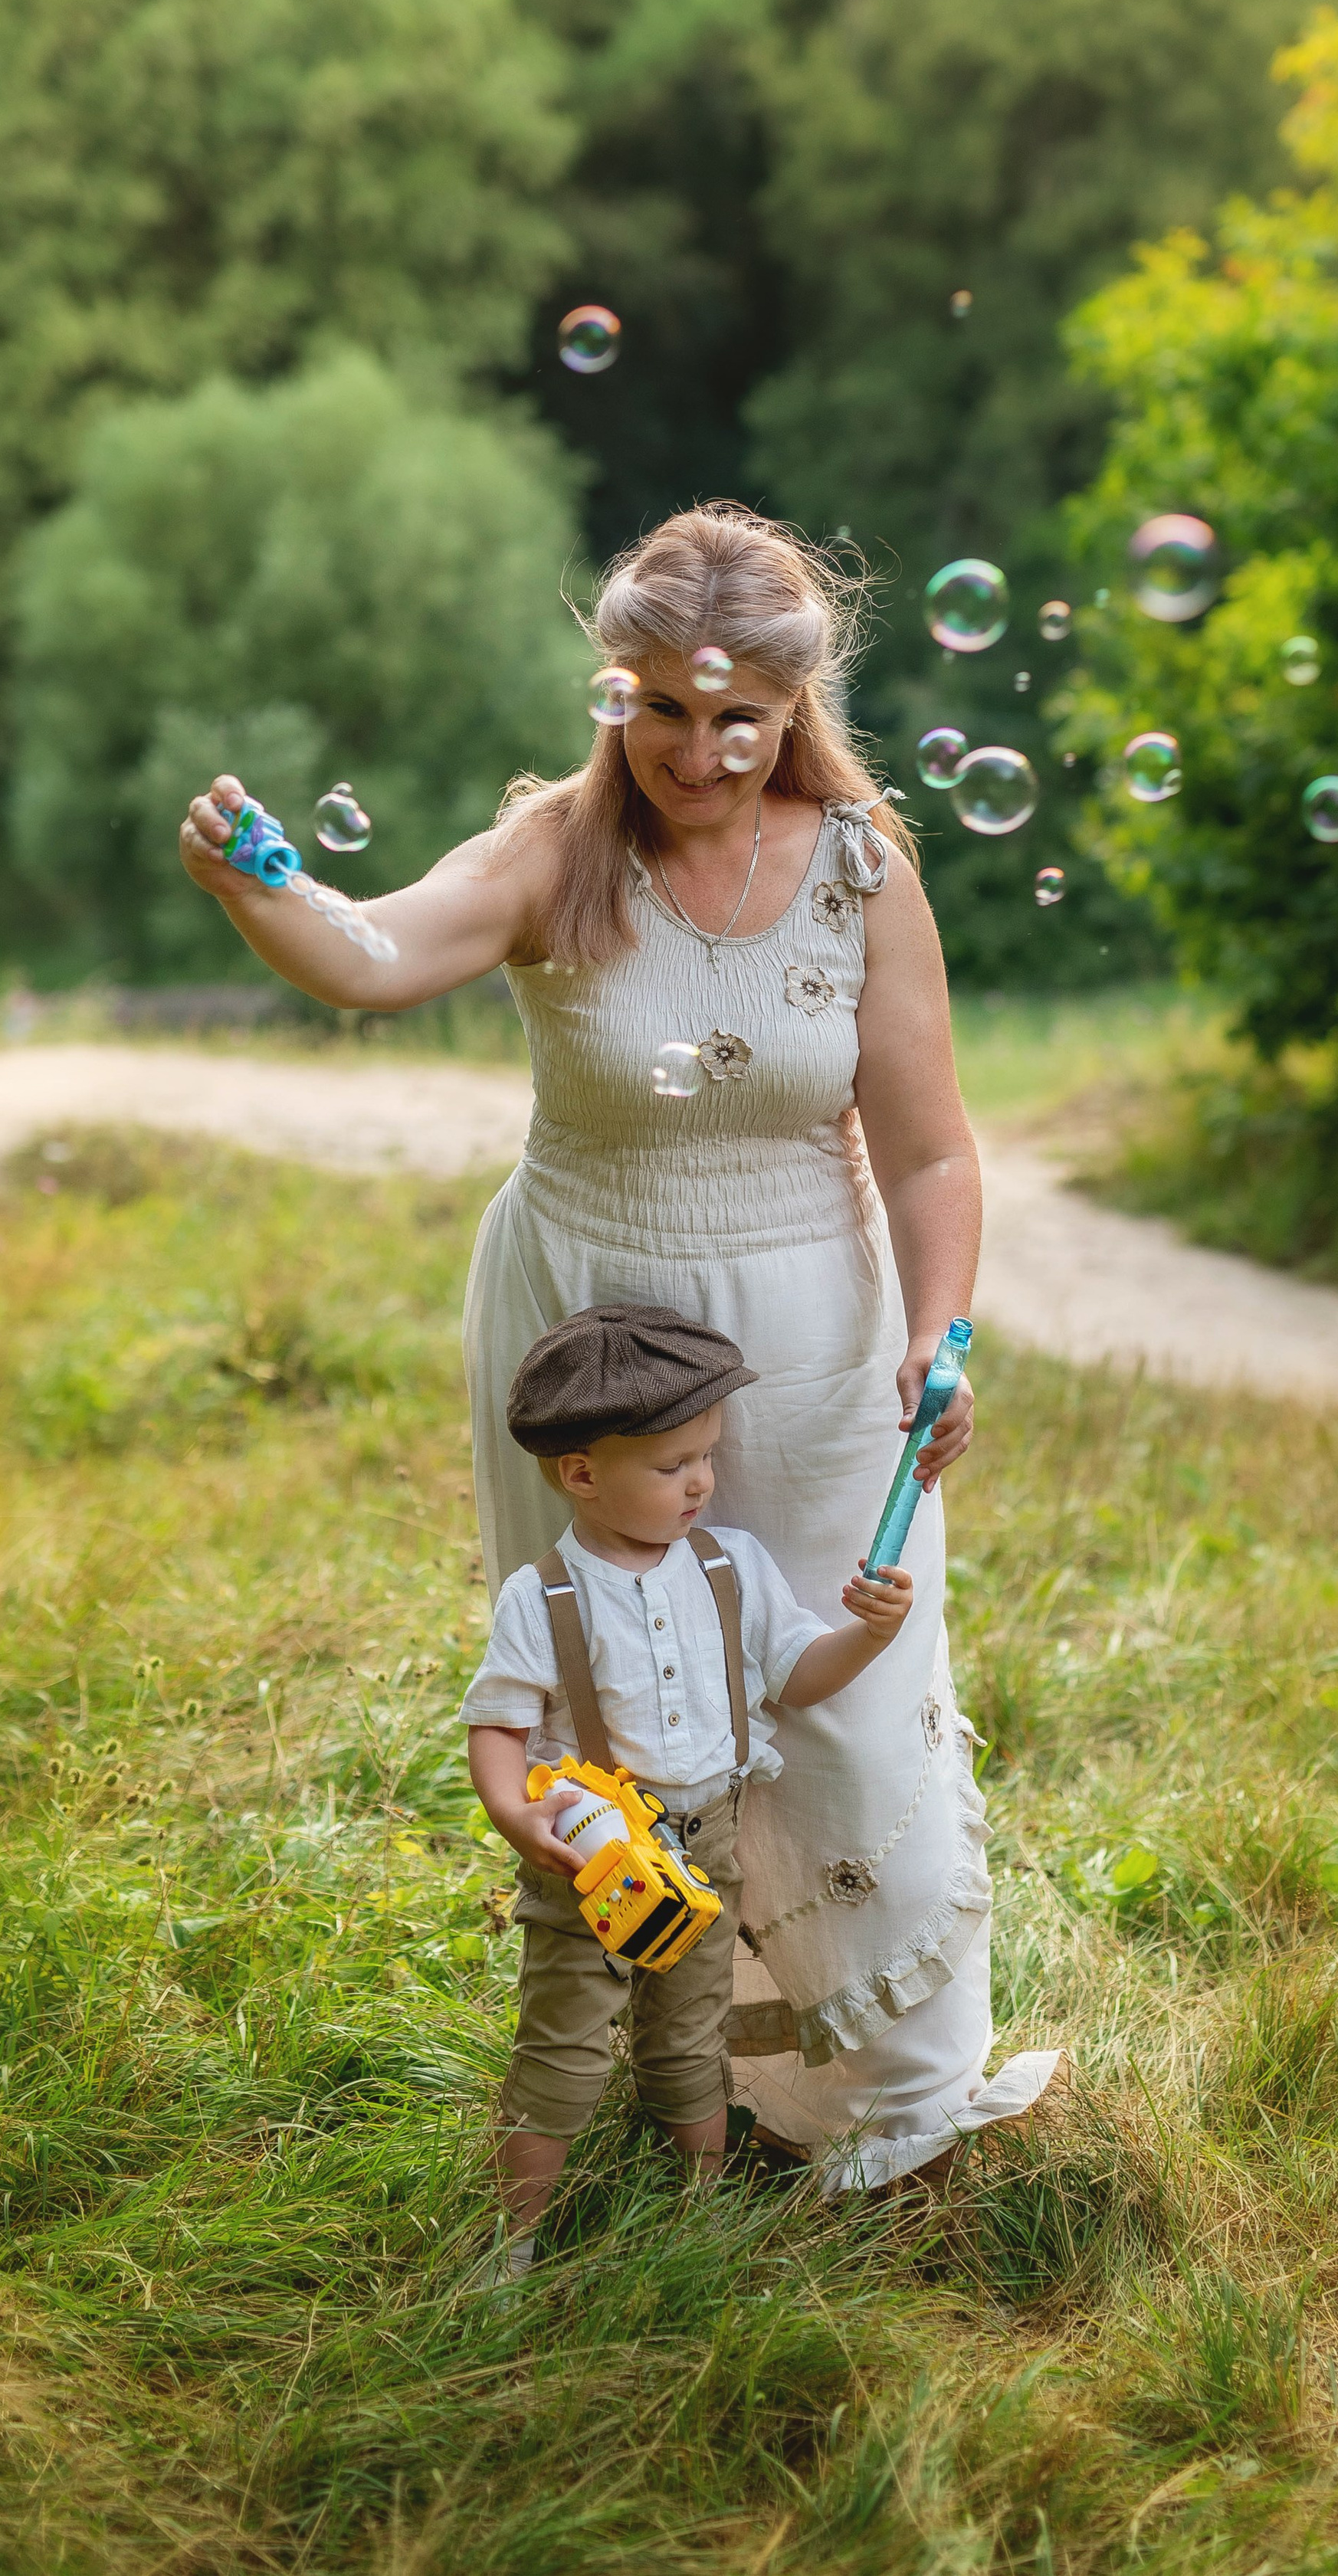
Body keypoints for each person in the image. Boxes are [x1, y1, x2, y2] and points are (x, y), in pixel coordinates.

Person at [179, 500, 1059, 2187]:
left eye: (738, 714)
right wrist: (255, 887)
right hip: (587, 1312)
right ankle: (685, 2092)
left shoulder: (863, 870)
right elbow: (369, 955)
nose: (698, 748)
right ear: (614, 692)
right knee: (627, 1697)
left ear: (796, 702)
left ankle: (892, 2099)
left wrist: (935, 1340)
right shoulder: (549, 852)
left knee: (838, 1687)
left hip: (808, 1324)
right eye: (660, 706)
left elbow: (934, 1147)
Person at [461, 1303, 914, 2278]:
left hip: (706, 1849)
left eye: (707, 1455)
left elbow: (796, 1674)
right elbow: (496, 1721)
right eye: (673, 1466)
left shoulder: (731, 1566)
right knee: (564, 2046)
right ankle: (513, 2243)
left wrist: (868, 1637)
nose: (702, 1480)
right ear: (581, 1474)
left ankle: (698, 2211)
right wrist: (514, 1811)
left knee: (691, 2039)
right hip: (592, 1857)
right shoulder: (542, 1596)